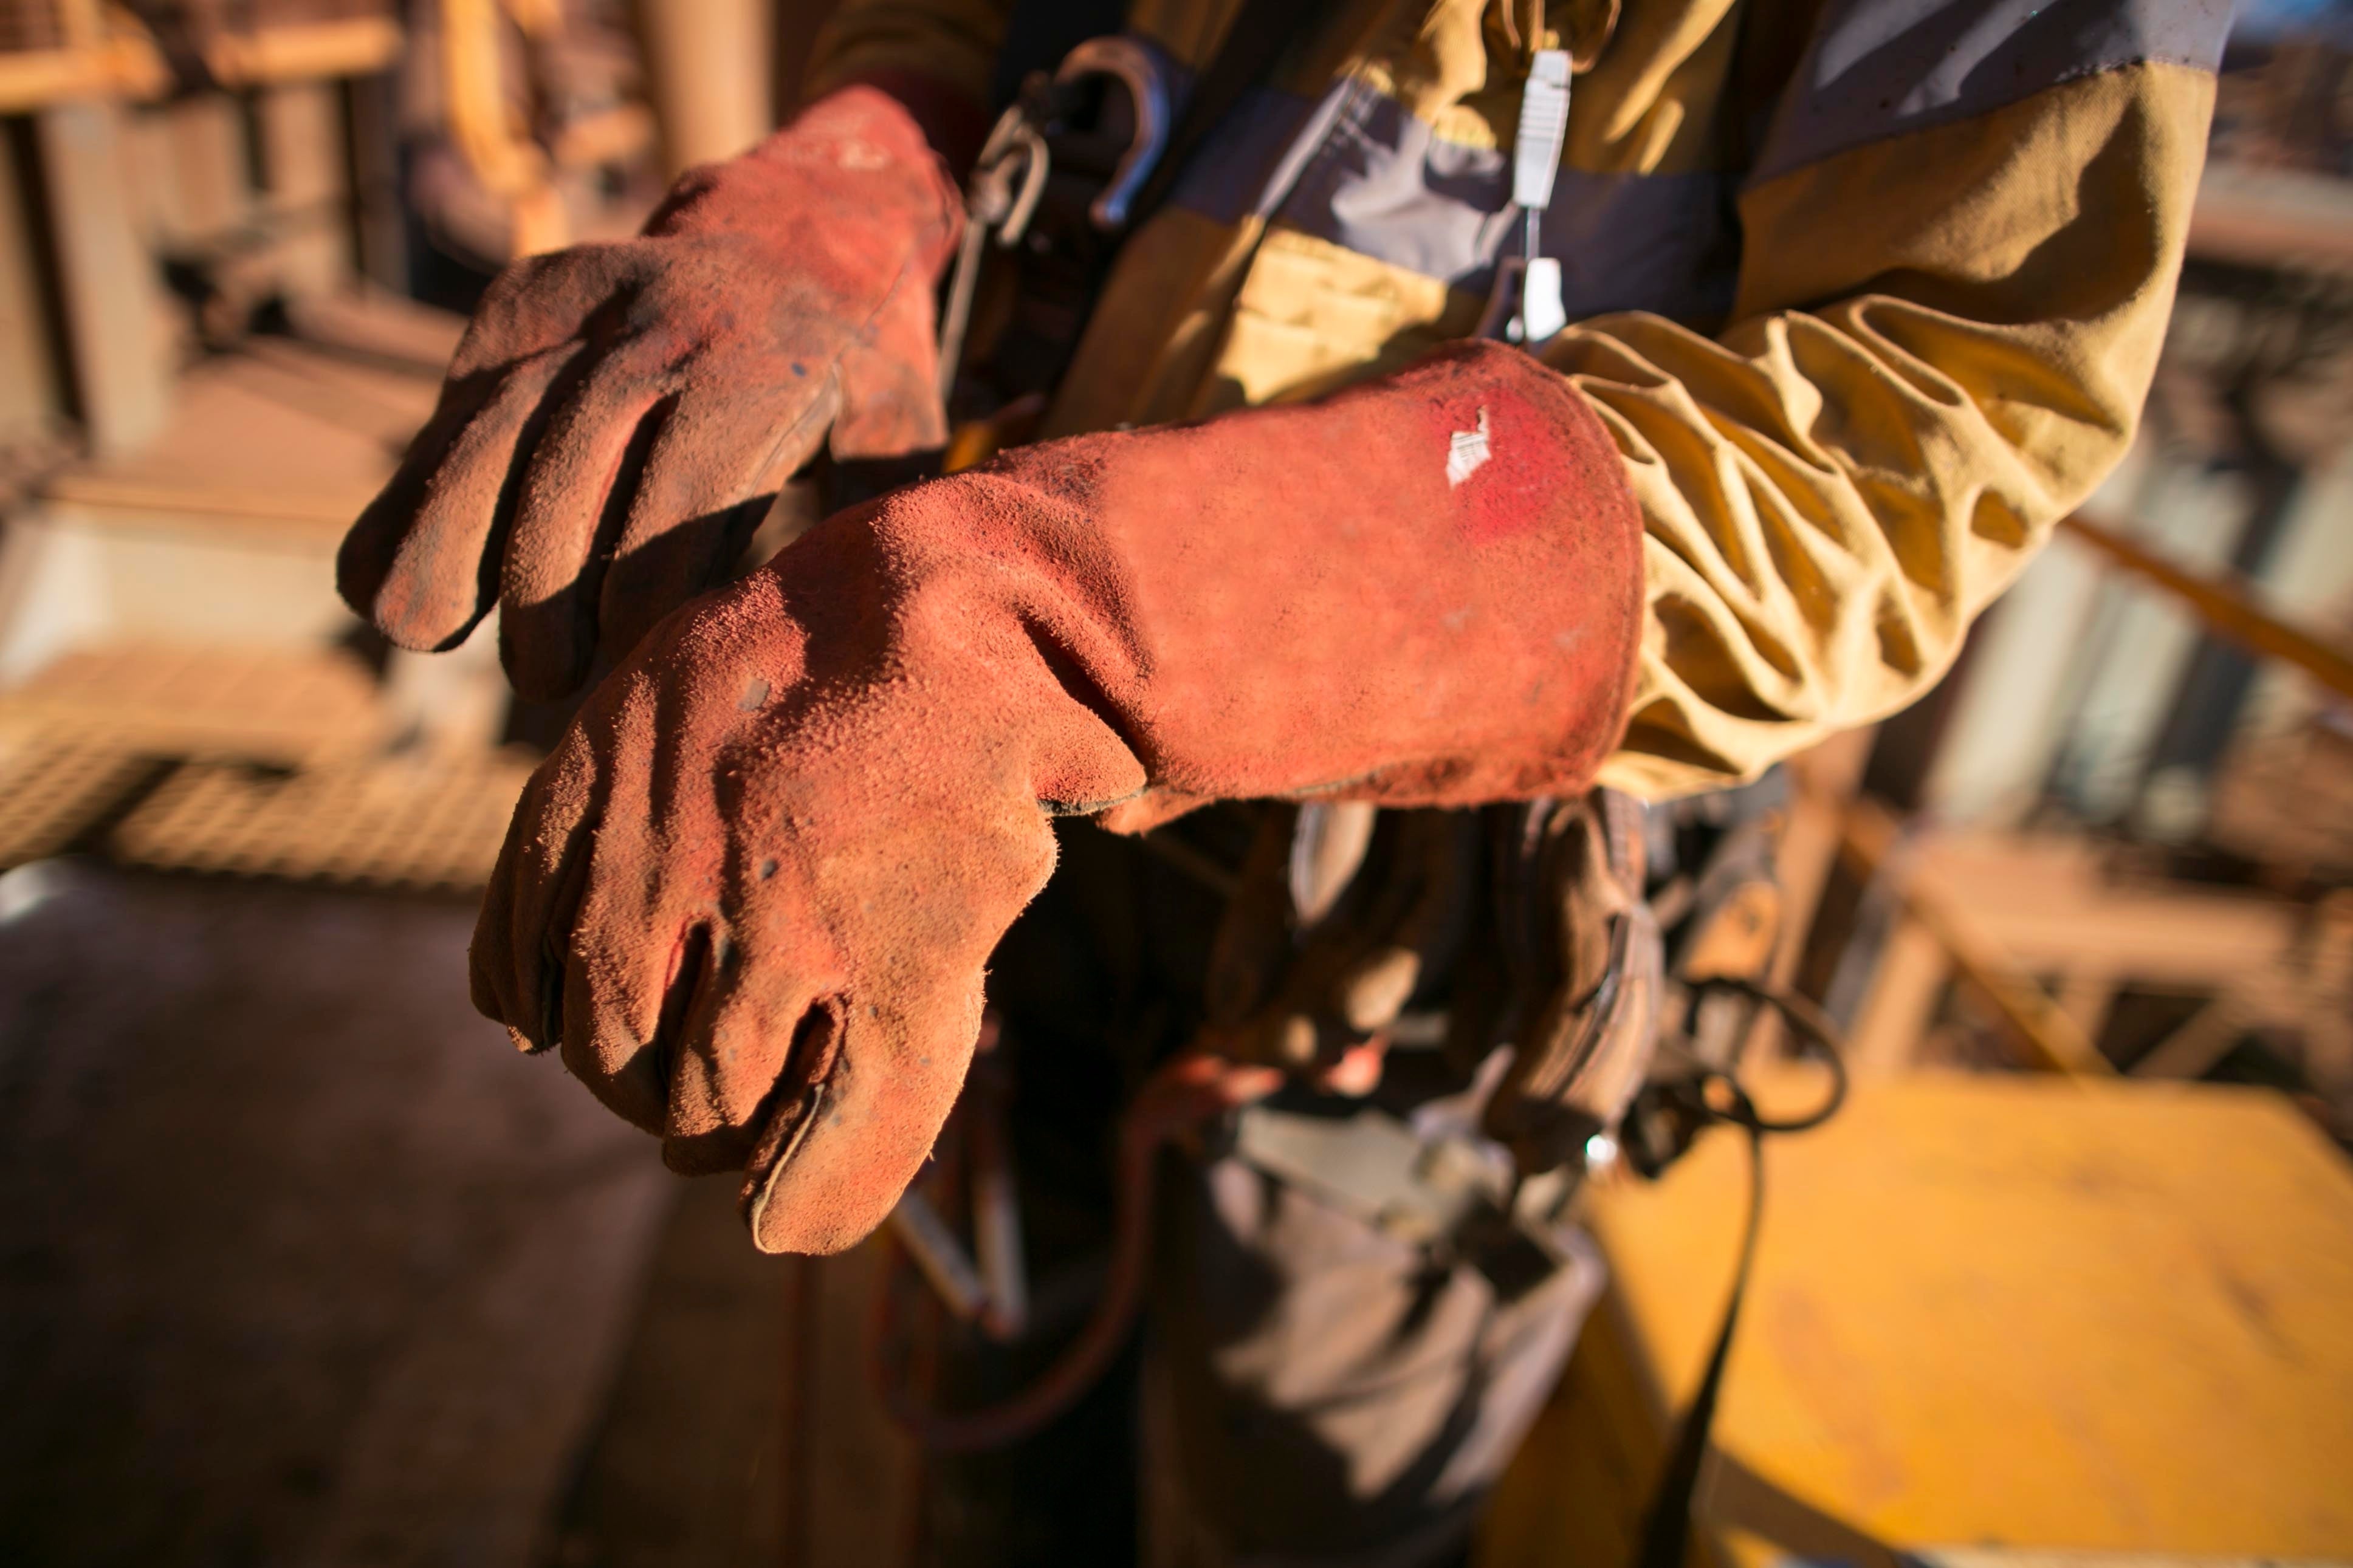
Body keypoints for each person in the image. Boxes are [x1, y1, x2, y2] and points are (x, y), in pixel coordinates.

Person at [337, 2, 2232, 1561]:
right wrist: (850, 192)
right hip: (975, 837)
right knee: (993, 1427)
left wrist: (1066, 621)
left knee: (1307, 1492)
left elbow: (1913, 434)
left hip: (1415, 917)